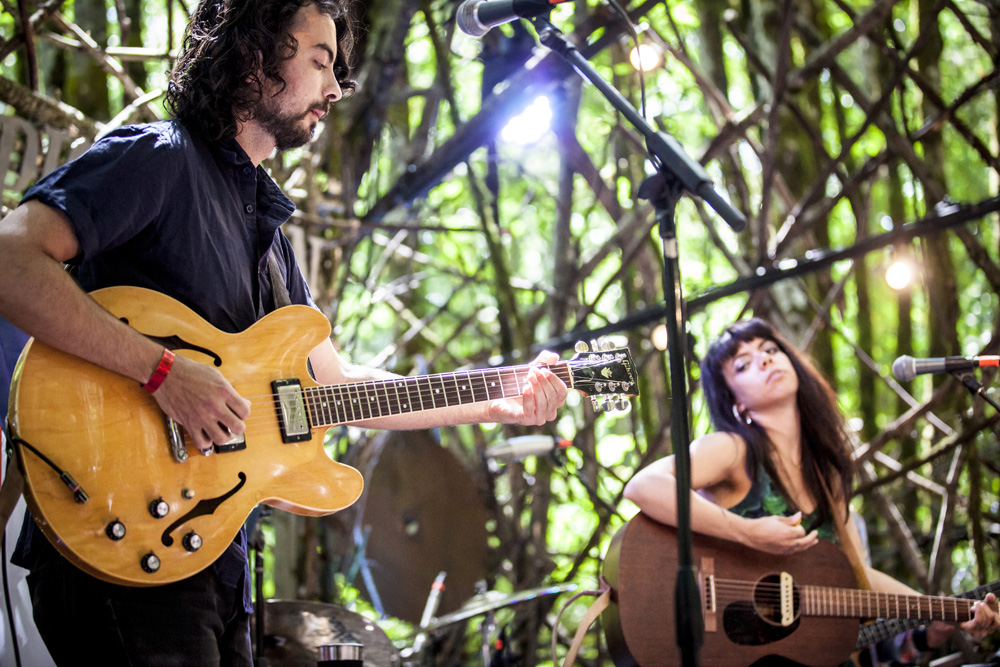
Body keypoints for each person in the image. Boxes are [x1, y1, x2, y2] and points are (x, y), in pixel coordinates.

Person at [0, 0, 568, 664]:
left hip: (211, 556)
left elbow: (339, 383)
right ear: (252, 53)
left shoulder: (270, 242)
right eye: (320, 60)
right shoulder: (157, 158)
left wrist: (494, 396)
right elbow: (12, 258)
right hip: (114, 531)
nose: (335, 88)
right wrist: (161, 371)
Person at [623, 318, 998, 666]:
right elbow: (643, 486)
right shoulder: (732, 449)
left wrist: (944, 611)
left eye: (770, 350)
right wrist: (747, 531)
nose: (765, 361)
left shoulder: (827, 472)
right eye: (743, 364)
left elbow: (857, 576)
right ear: (736, 402)